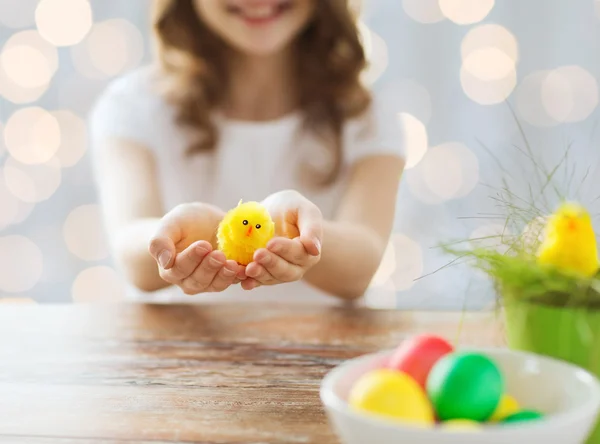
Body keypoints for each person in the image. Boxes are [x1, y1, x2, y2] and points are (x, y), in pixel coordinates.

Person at [89, 0, 405, 305]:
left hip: (323, 352)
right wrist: (206, 234)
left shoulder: (367, 116)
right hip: (175, 350)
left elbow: (362, 264)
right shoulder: (131, 106)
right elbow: (131, 251)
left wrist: (293, 234)